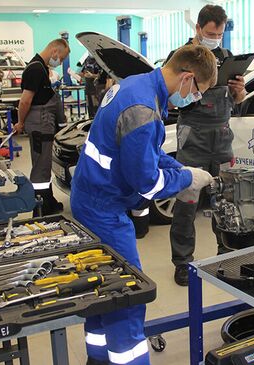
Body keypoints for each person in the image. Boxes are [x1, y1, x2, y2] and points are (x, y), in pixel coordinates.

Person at [70, 44, 218, 365]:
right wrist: (186, 180)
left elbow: (148, 153)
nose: (194, 99)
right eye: (197, 92)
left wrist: (180, 168)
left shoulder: (138, 85)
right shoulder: (142, 109)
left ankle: (97, 359)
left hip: (91, 197)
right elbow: (147, 182)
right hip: (103, 211)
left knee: (102, 289)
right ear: (187, 78)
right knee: (127, 297)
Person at [166, 4, 247, 286]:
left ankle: (225, 255)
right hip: (194, 138)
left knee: (226, 202)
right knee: (187, 203)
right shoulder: (181, 57)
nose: (216, 38)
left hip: (223, 139)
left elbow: (236, 103)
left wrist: (239, 93)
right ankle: (182, 262)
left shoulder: (226, 57)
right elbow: (170, 98)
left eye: (220, 33)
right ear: (198, 29)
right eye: (211, 33)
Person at [13, 39, 70, 216]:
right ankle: (40, 209)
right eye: (61, 58)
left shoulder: (42, 68)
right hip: (39, 124)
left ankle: (49, 200)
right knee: (40, 168)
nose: (59, 63)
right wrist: (20, 122)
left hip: (44, 124)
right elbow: (25, 100)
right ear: (54, 51)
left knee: (44, 164)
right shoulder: (35, 69)